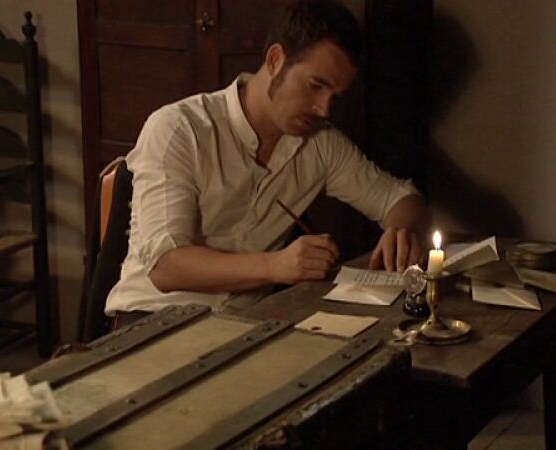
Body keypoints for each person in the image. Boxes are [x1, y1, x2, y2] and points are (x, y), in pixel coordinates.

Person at [105, 0, 430, 322]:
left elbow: (402, 198)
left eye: (334, 96)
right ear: (275, 60)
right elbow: (166, 267)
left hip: (245, 323)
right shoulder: (180, 128)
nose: (323, 109)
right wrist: (276, 265)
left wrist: (400, 230)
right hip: (153, 317)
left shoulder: (320, 143)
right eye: (315, 86)